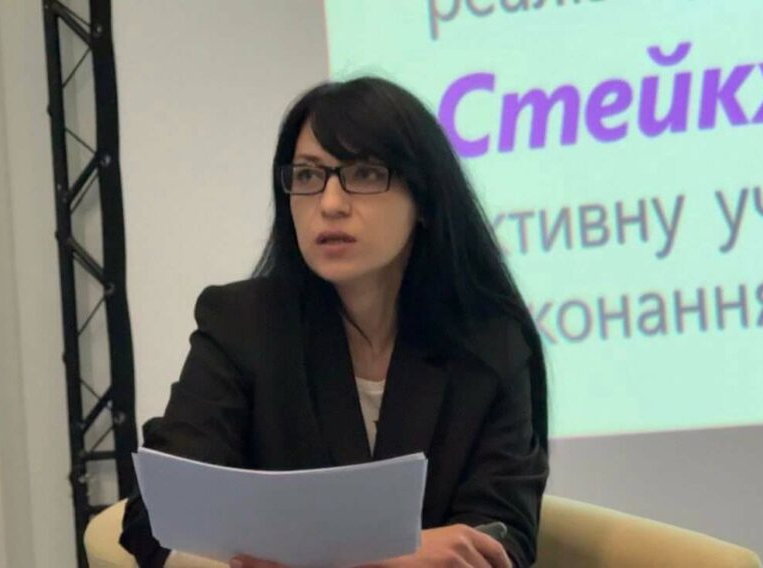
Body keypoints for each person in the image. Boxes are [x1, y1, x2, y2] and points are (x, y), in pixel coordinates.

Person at [120, 76, 550, 568]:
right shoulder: (241, 326)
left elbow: (501, 538)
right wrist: (385, 561)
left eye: (364, 174)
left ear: (425, 199)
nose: (329, 203)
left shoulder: (489, 342)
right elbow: (157, 514)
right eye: (308, 175)